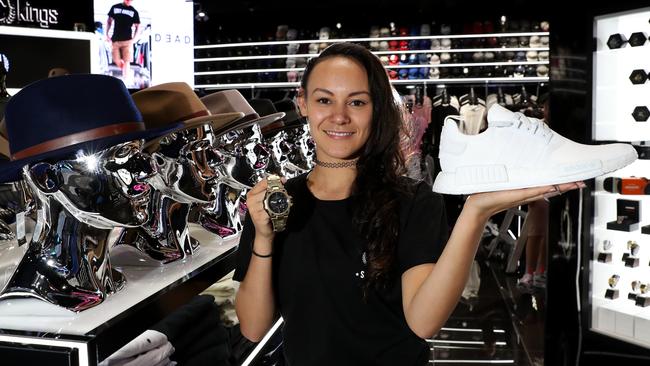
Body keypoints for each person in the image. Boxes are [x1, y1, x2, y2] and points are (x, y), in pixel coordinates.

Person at [234, 43, 581, 365]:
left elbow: (423, 323)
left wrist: (475, 213)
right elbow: (253, 327)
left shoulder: (412, 202)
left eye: (356, 102)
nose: (339, 116)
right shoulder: (275, 204)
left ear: (377, 107)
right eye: (325, 100)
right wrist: (264, 238)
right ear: (302, 103)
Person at [106, 0, 140, 84]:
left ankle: (125, 80)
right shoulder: (115, 7)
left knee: (127, 61)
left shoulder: (134, 11)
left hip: (127, 40)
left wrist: (135, 38)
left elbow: (138, 26)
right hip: (115, 40)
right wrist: (106, 33)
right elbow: (109, 21)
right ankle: (125, 71)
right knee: (117, 60)